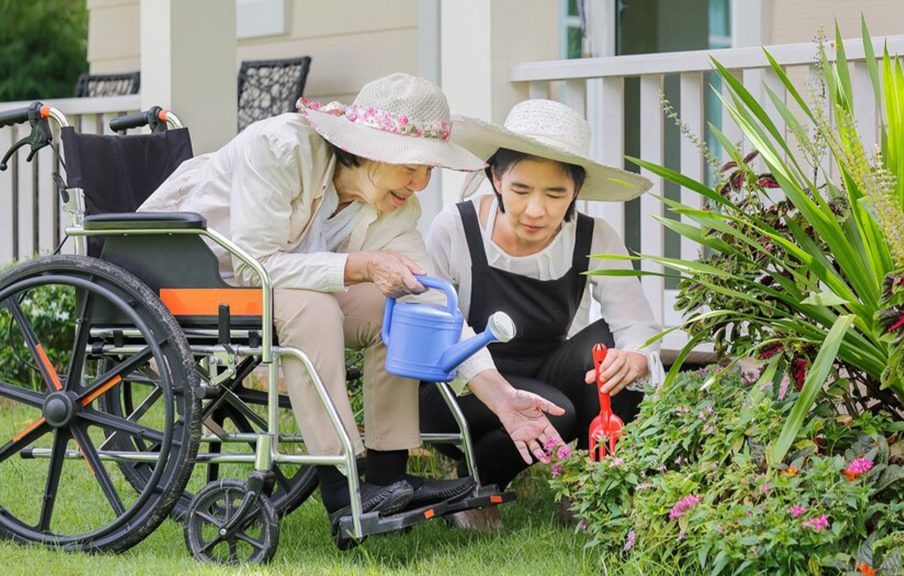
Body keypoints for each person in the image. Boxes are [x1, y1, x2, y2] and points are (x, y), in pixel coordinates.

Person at [138, 74, 566, 527]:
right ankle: (343, 486)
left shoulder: (394, 205)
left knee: (400, 307)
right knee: (314, 303)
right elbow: (254, 265)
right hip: (198, 278)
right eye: (411, 167)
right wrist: (359, 266)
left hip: (279, 291)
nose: (420, 184)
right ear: (369, 150)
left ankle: (388, 477)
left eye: (429, 171)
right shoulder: (280, 148)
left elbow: (432, 302)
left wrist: (501, 399)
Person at [420, 99, 665, 527]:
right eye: (520, 190)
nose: (537, 210)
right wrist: (495, 388)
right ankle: (476, 485)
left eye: (555, 194)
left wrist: (637, 357)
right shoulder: (454, 228)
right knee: (558, 410)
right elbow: (435, 331)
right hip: (458, 388)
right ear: (495, 177)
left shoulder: (594, 236)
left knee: (611, 350)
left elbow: (635, 322)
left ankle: (594, 490)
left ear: (577, 191)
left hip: (545, 371)